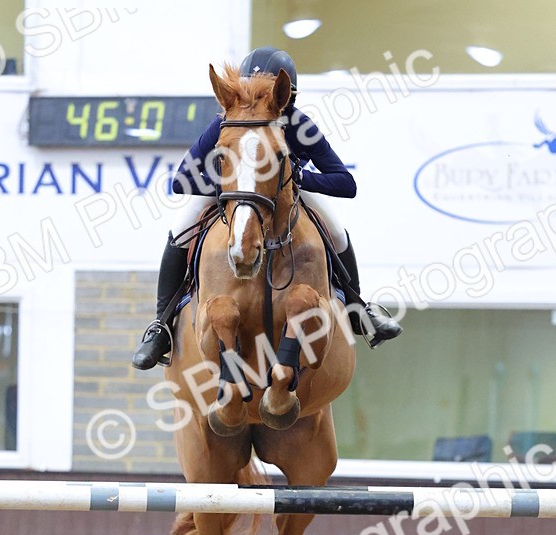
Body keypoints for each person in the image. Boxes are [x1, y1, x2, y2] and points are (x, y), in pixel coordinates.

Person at [132, 46, 402, 370]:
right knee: (179, 230)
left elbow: (345, 182)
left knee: (337, 232)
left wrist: (296, 179)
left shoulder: (299, 124)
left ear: (285, 96)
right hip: (234, 194)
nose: (255, 102)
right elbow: (182, 180)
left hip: (284, 193)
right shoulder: (225, 123)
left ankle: (360, 310)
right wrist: (234, 186)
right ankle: (161, 325)